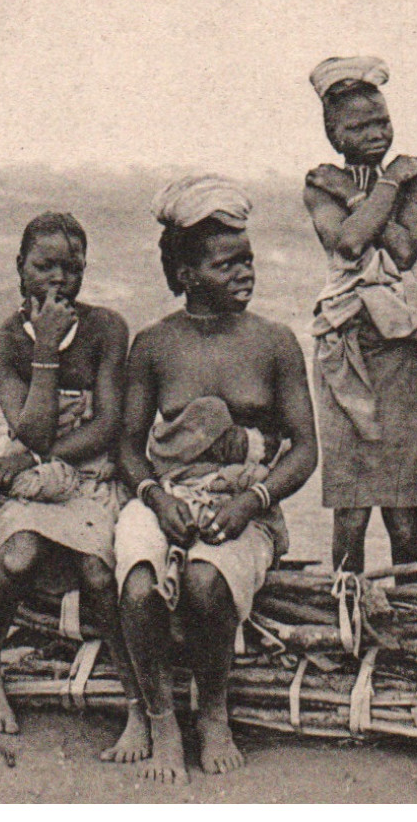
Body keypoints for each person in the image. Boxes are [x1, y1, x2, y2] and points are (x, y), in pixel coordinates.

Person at [115, 175, 319, 783]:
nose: (244, 273)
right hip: (162, 497)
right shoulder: (154, 345)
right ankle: (161, 720)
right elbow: (127, 447)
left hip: (243, 503)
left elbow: (305, 450)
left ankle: (213, 712)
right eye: (226, 263)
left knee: (205, 584)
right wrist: (153, 498)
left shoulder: (275, 344)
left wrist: (253, 502)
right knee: (138, 586)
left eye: (248, 260)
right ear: (184, 274)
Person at [0, 212, 149, 762]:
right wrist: (45, 351)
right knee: (19, 556)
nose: (58, 280)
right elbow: (32, 428)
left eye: (72, 268)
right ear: (18, 268)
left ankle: (139, 706)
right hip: (35, 482)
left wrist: (28, 454)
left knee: (99, 572)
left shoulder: (107, 329)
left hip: (93, 477)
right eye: (43, 265)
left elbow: (108, 425)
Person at [301, 57, 417, 584]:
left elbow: (403, 252)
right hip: (346, 345)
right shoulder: (320, 185)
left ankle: (415, 617)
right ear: (332, 132)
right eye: (357, 126)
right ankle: (347, 613)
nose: (375, 134)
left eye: (381, 122)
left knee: (403, 506)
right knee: (352, 507)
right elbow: (348, 242)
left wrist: (360, 195)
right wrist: (380, 191)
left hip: (401, 345)